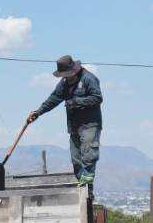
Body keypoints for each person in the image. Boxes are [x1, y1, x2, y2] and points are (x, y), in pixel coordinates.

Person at [27, 55, 103, 186]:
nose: (66, 76)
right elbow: (54, 98)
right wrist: (38, 112)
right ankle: (83, 187)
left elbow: (97, 98)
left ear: (74, 70)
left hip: (90, 124)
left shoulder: (88, 79)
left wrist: (77, 101)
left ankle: (87, 188)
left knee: (88, 155)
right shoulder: (64, 83)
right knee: (76, 159)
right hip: (74, 125)